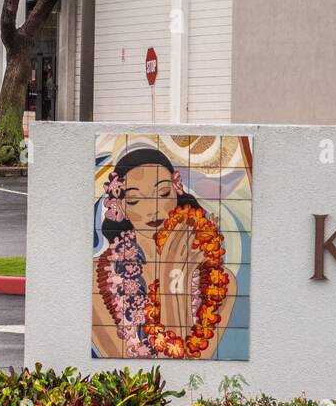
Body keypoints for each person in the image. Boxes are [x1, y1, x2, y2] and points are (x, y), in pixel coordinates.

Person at [92, 146, 235, 359]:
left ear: (177, 191)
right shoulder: (97, 278)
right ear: (120, 207)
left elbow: (190, 371)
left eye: (163, 193)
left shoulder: (221, 284)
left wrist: (175, 274)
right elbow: (131, 375)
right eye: (134, 200)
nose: (153, 208)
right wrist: (169, 269)